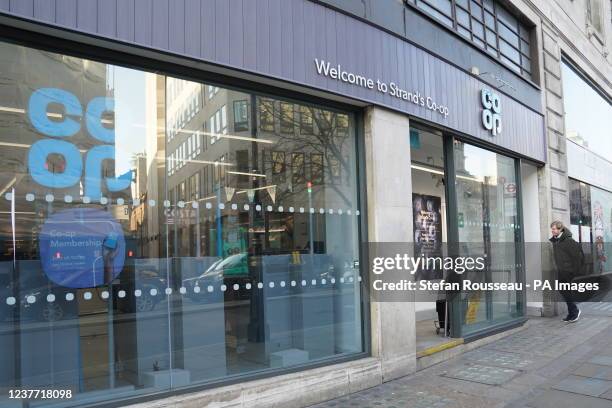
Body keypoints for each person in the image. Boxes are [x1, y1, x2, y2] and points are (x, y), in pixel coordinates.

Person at [549, 220, 584, 322]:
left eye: (554, 229)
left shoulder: (568, 241)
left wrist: (573, 271)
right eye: (552, 229)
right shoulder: (557, 240)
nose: (552, 231)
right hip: (562, 270)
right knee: (564, 290)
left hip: (567, 271)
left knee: (564, 289)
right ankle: (572, 313)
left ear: (560, 229)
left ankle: (574, 311)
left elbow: (577, 258)